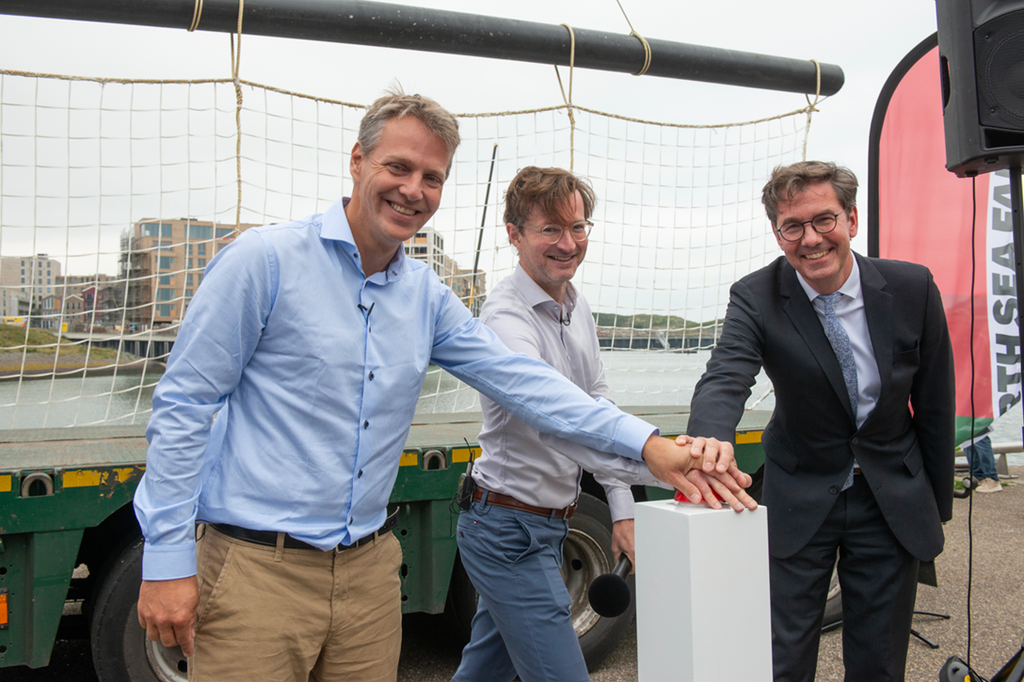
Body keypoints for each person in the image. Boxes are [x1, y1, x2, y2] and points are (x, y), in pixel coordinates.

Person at [132, 89, 749, 682]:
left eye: (432, 178)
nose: (413, 190)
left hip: (369, 574)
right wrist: (165, 561)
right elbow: (185, 406)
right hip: (255, 569)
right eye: (398, 167)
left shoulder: (426, 296)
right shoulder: (263, 261)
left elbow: (528, 385)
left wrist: (650, 447)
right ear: (356, 161)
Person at [450, 167, 758, 682]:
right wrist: (659, 458)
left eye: (578, 226)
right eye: (549, 229)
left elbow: (597, 402)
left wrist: (622, 509)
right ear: (514, 233)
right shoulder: (506, 318)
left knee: (483, 673)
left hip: (545, 526)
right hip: (505, 532)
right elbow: (557, 424)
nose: (567, 243)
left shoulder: (575, 304)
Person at [684, 161, 955, 681]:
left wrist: (932, 506)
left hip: (890, 499)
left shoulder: (912, 287)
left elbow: (936, 406)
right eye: (793, 227)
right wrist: (710, 437)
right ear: (777, 233)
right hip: (800, 494)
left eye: (824, 220)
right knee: (781, 659)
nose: (811, 239)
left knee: (879, 663)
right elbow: (725, 374)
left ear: (852, 218)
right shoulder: (756, 296)